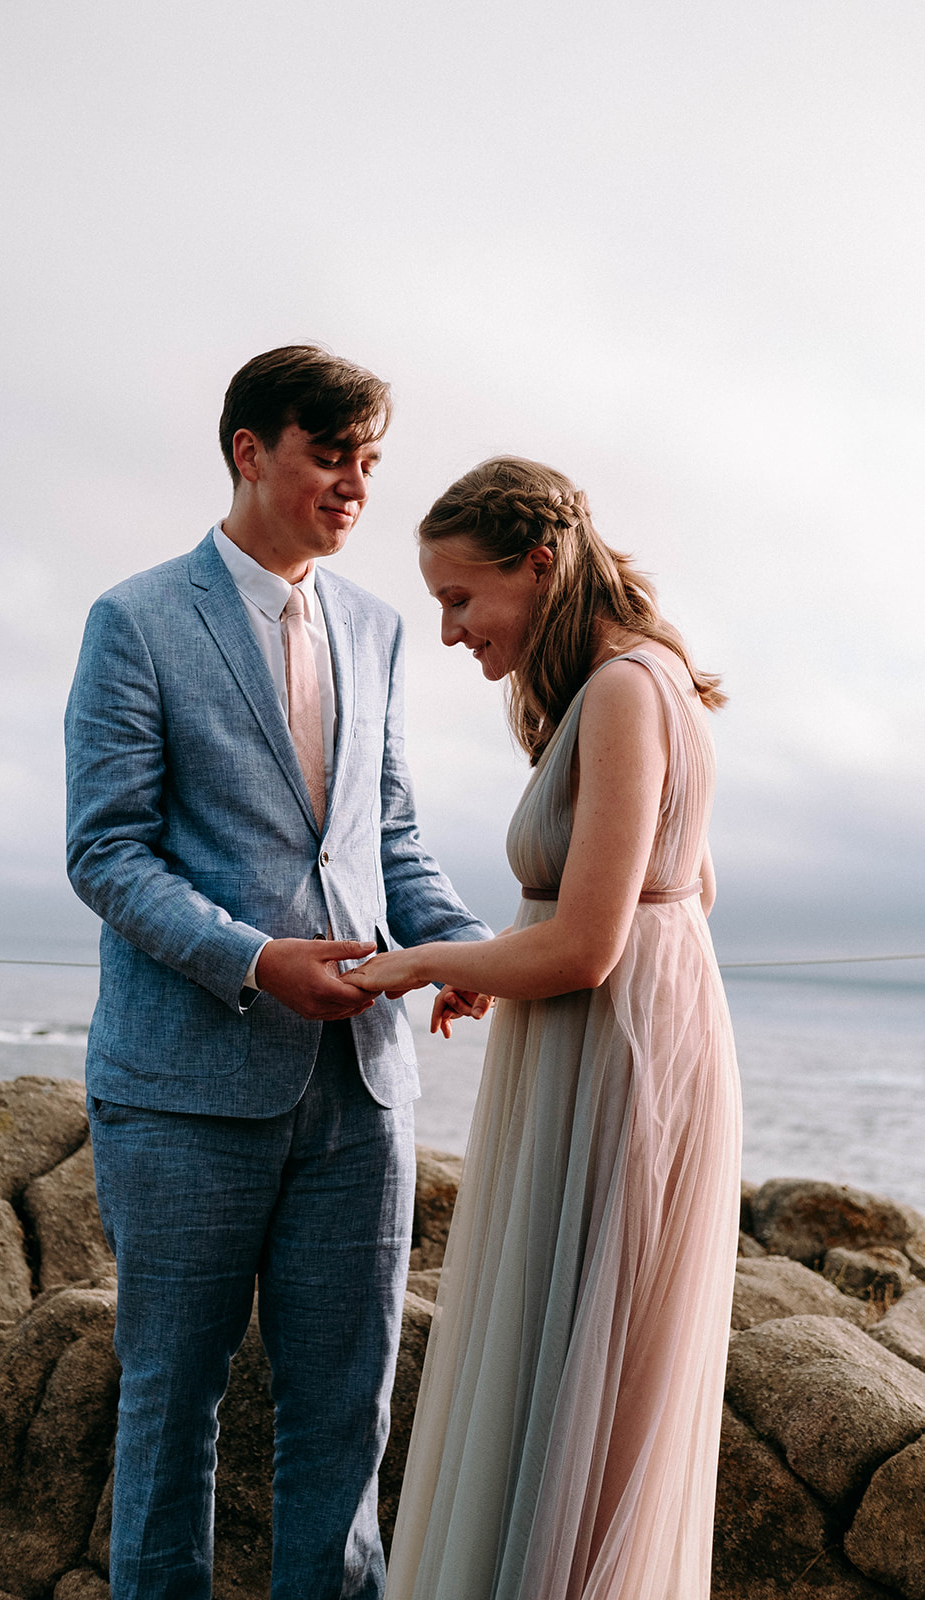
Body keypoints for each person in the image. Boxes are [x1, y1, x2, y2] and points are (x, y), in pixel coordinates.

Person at [64, 345, 490, 1600]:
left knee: (342, 1411)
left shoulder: (378, 625)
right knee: (170, 1409)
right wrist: (252, 958)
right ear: (250, 450)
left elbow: (387, 835)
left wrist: (453, 953)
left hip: (360, 1091)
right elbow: (106, 849)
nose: (355, 484)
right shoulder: (133, 618)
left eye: (369, 460)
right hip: (183, 1089)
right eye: (329, 453)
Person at [345, 456, 742, 1600]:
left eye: (461, 598)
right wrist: (496, 967)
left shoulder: (619, 691)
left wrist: (420, 958)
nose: (449, 629)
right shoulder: (645, 681)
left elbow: (584, 946)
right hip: (630, 1036)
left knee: (570, 1381)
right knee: (584, 1388)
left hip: (610, 1054)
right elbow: (686, 891)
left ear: (539, 562)